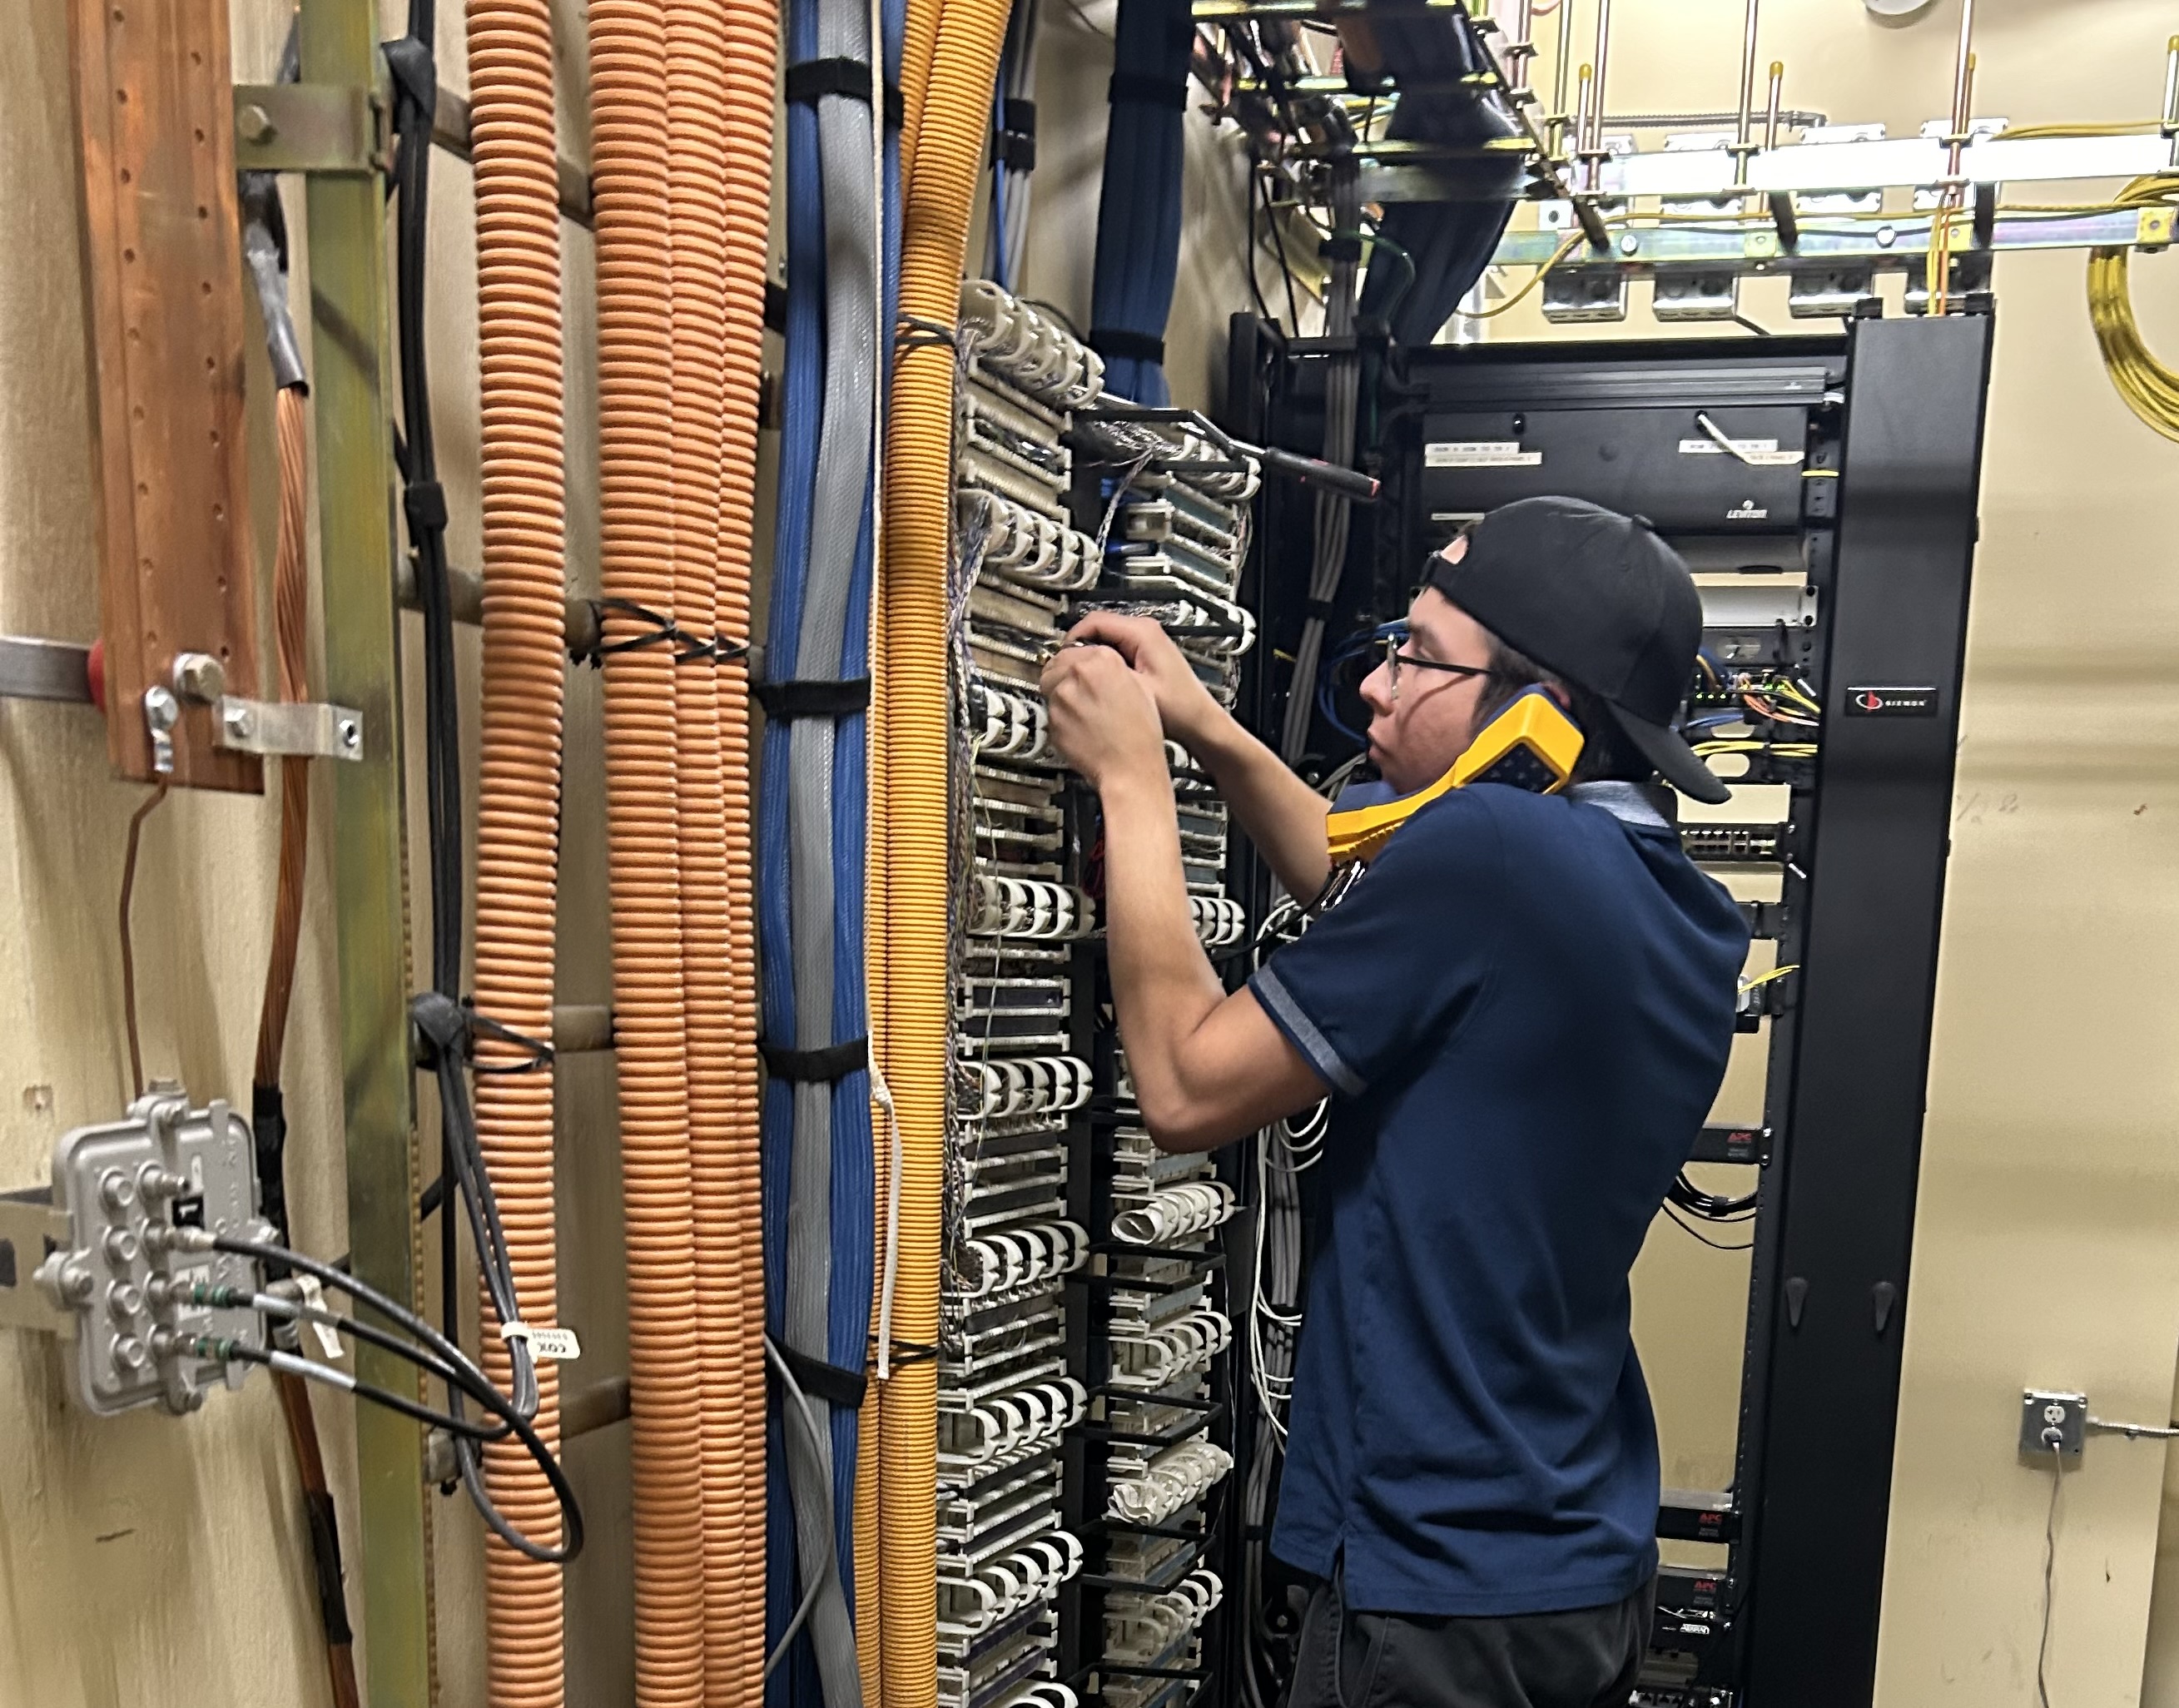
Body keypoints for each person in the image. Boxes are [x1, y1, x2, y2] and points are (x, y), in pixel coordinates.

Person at [1039, 495, 1750, 1708]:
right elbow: (1360, 872)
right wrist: (1206, 727)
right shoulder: (1653, 895)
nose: (1374, 684)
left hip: (1431, 1580)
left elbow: (1184, 1083)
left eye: (1417, 655)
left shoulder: (1493, 855)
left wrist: (1131, 784)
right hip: (1564, 1552)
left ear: (1539, 719)